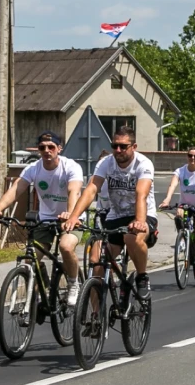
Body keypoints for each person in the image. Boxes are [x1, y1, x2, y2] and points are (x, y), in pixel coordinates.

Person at [0, 131, 85, 304]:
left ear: (59, 149)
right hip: (46, 219)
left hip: (72, 217)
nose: (47, 150)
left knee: (65, 246)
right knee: (30, 259)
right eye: (42, 147)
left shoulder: (71, 167)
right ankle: (43, 291)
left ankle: (73, 284)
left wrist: (70, 214)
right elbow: (16, 189)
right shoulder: (33, 168)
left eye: (51, 147)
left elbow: (74, 191)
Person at [65, 125, 157, 300]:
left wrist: (139, 220)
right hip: (116, 216)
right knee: (96, 263)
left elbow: (141, 194)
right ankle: (95, 320)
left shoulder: (143, 164)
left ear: (134, 147)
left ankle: (142, 276)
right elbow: (92, 188)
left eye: (123, 146)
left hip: (143, 215)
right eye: (115, 146)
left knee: (132, 237)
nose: (118, 150)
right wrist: (74, 216)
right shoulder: (106, 163)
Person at [159, 147, 195, 280]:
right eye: (190, 155)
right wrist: (167, 199)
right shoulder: (181, 171)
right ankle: (183, 237)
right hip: (186, 205)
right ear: (187, 156)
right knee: (178, 214)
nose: (192, 158)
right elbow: (172, 185)